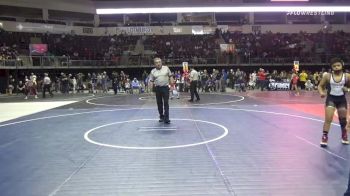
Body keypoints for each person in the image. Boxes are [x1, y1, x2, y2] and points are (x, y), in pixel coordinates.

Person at [318, 57, 350, 147]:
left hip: (341, 100)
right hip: (331, 99)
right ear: (331, 67)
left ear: (342, 65)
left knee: (343, 120)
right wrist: (321, 92)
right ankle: (324, 137)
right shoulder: (327, 76)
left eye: (338, 65)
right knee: (328, 119)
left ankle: (344, 135)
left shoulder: (347, 76)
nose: (336, 67)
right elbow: (320, 86)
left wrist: (347, 89)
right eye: (334, 66)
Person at [149, 57, 174, 124]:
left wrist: (172, 86)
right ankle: (161, 116)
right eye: (156, 62)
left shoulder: (166, 68)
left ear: (161, 62)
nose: (158, 64)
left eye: (159, 62)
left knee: (166, 103)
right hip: (157, 89)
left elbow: (171, 77)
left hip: (165, 88)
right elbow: (151, 81)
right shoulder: (152, 71)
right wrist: (151, 91)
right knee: (159, 103)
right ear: (154, 64)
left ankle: (167, 118)